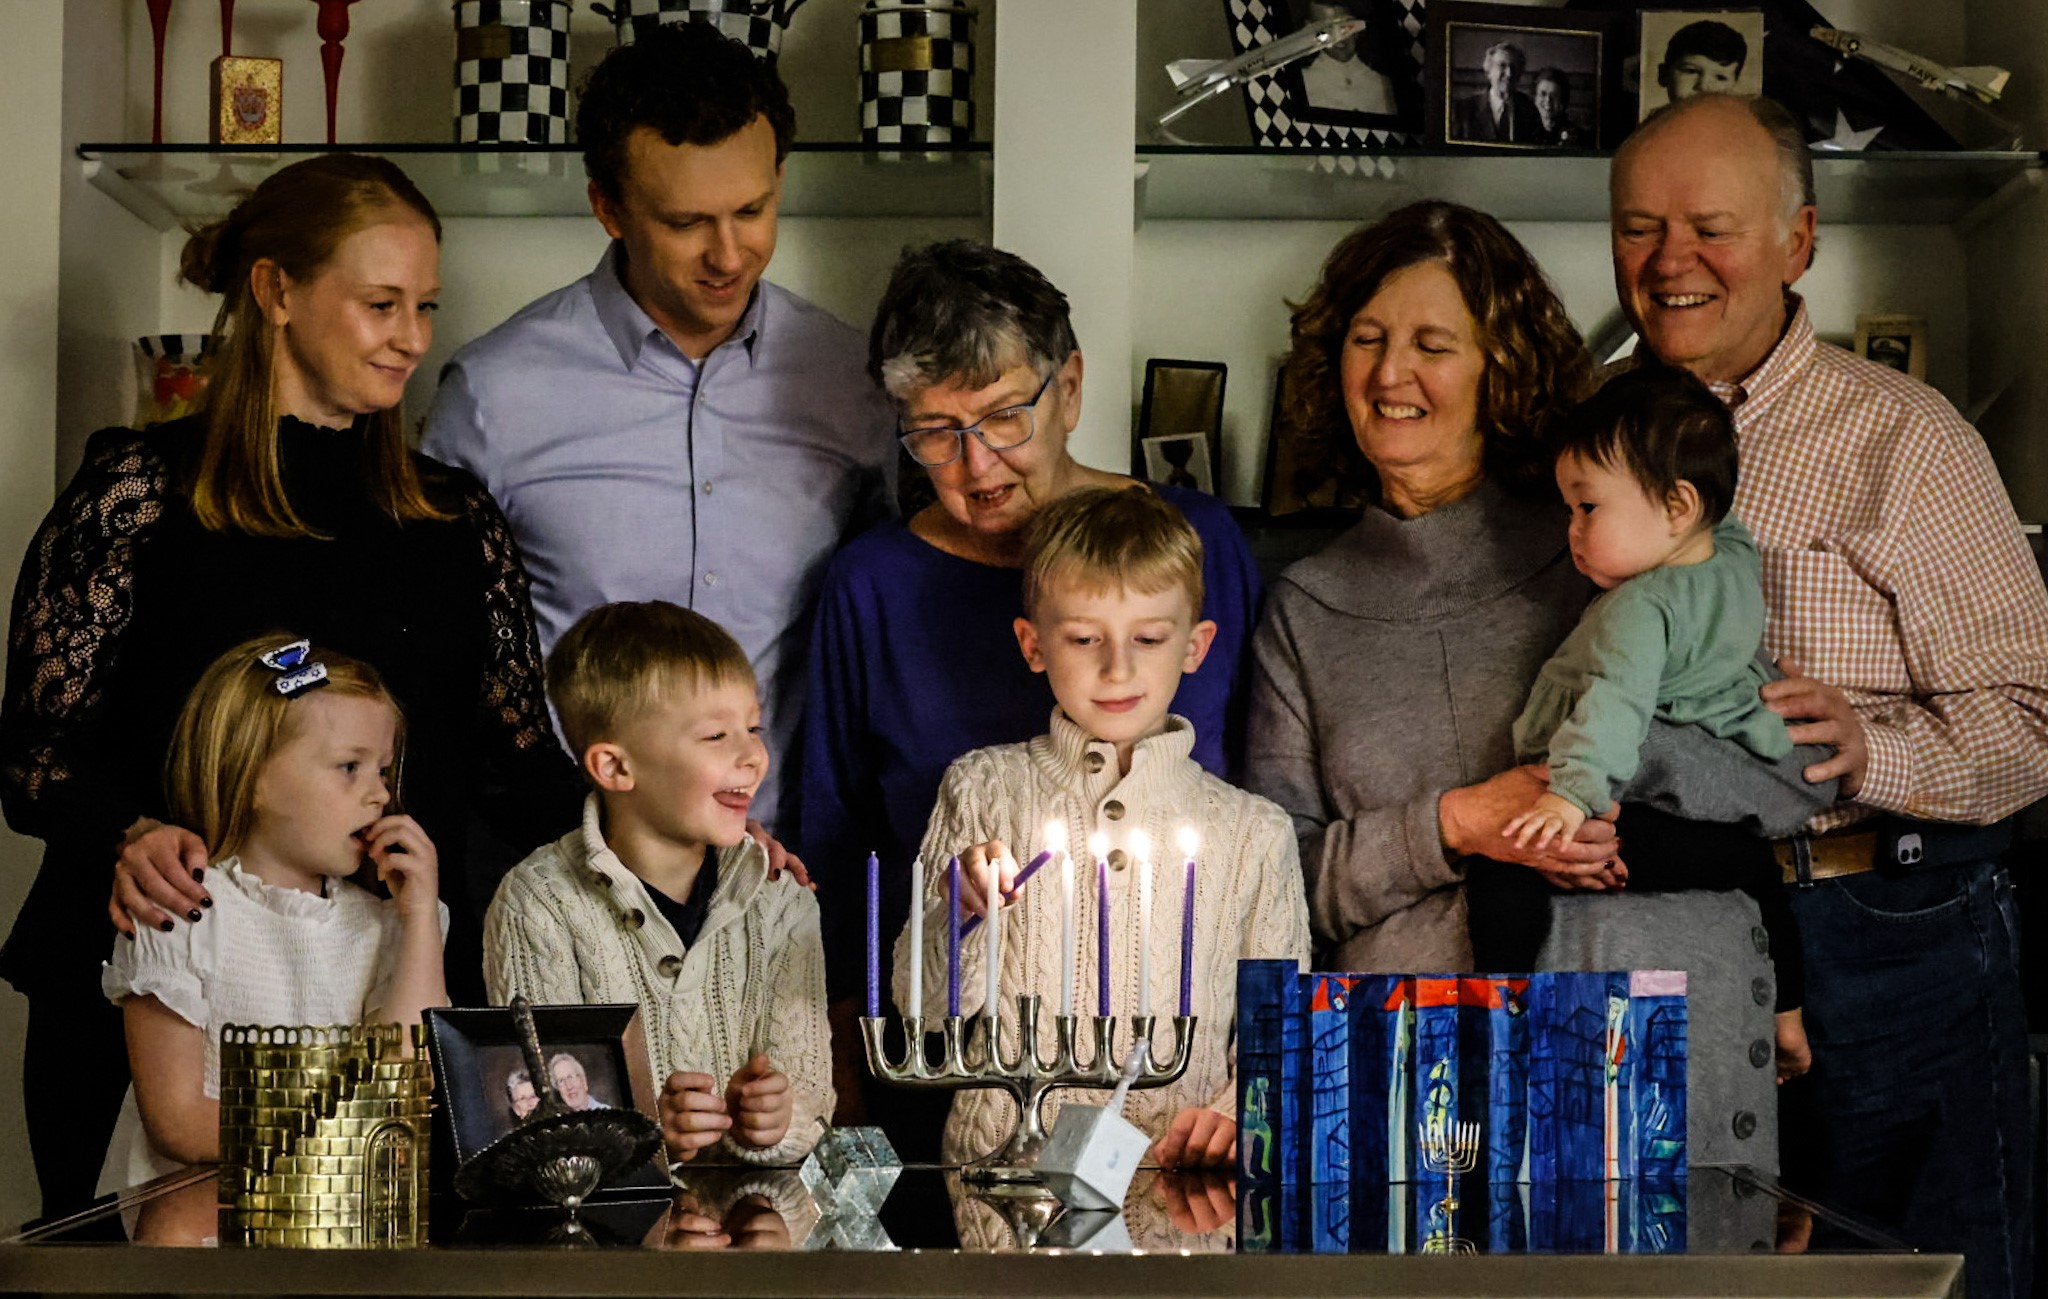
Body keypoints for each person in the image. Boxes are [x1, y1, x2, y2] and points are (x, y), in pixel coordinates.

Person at [0, 153, 577, 1216]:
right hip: (162, 999)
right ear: (275, 291)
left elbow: (518, 773)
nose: (413, 335)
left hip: (382, 1003)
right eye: (380, 304)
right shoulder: (139, 495)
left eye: (424, 306)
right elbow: (32, 757)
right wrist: (123, 832)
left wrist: (685, 826)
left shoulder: (455, 526)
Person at [1610, 92, 2048, 1297]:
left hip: (1883, 937)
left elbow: (2033, 720)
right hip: (1669, 937)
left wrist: (1871, 748)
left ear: (1797, 241)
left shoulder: (1902, 441)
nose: (1669, 261)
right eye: (1639, 227)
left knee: (1925, 1280)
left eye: (1710, 226)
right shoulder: (1591, 444)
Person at [1247, 199, 1784, 1174]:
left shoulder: (1602, 546)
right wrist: (1452, 824)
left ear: (1502, 363)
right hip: (1390, 1082)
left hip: (1629, 1065)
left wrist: (1605, 806)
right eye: (1365, 339)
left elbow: (1747, 765)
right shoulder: (1302, 608)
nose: (1389, 371)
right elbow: (1270, 888)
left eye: (1431, 343)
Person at [803, 239, 1262, 1137]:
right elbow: (835, 843)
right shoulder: (871, 585)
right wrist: (840, 1084)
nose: (976, 467)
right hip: (952, 1070)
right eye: (934, 430)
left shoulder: (1196, 546)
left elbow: (1254, 801)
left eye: (1005, 416)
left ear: (1072, 388)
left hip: (1180, 1087)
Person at [423, 21, 896, 833]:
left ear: (780, 177)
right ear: (608, 207)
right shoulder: (494, 393)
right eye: (684, 223)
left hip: (782, 877)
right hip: (560, 875)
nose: (728, 254)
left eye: (753, 209)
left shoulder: (855, 380)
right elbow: (434, 650)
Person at [893, 485, 1310, 1170]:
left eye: (1148, 637)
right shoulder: (983, 790)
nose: (1118, 667)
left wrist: (1233, 1120)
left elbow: (1278, 1039)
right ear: (1032, 643)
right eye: (1085, 638)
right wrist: (960, 915)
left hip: (1183, 1196)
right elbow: (924, 1011)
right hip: (1005, 1193)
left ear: (1196, 645)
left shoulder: (1252, 833)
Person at [1483, 365, 1832, 1079]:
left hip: (1637, 787)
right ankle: (1788, 1013)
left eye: (1587, 508)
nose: (1572, 532)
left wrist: (1567, 797)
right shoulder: (1732, 553)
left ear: (1677, 506)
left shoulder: (1636, 610)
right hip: (1742, 779)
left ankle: (1502, 1022)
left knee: (1501, 871)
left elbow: (1612, 706)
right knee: (1750, 871)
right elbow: (1722, 518)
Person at [483, 600, 832, 1165]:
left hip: (753, 1236)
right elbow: (542, 1132)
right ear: (615, 768)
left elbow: (812, 1105)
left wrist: (778, 1119)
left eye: (753, 727)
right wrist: (646, 1136)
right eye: (717, 736)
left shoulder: (780, 899)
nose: (753, 756)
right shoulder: (537, 904)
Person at [97, 635, 447, 1193]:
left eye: (383, 769)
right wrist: (346, 1137)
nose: (379, 794)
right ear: (255, 774)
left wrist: (421, 917)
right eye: (349, 767)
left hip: (345, 1219)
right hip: (199, 1228)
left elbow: (407, 1086)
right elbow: (178, 1122)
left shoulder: (388, 924)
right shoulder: (184, 907)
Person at [1298, 0, 1395, 116]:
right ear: (1311, 31)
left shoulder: (1383, 84)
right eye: (1326, 28)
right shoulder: (1303, 84)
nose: (1339, 37)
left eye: (1345, 26)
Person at [1450, 41, 1545, 144]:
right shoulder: (1464, 110)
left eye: (1514, 67)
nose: (1509, 74)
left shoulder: (1530, 109)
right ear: (1488, 72)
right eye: (1502, 66)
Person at [1654, 20, 1747, 105]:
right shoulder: (1654, 122)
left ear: (1734, 86)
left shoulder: (1742, 123)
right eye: (1691, 71)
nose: (1703, 86)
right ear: (1663, 74)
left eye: (1720, 77)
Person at [1532, 68, 1584, 146]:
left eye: (1554, 95)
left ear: (1563, 101)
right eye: (1543, 94)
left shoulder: (1577, 137)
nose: (1548, 100)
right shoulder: (1526, 132)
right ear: (1535, 98)